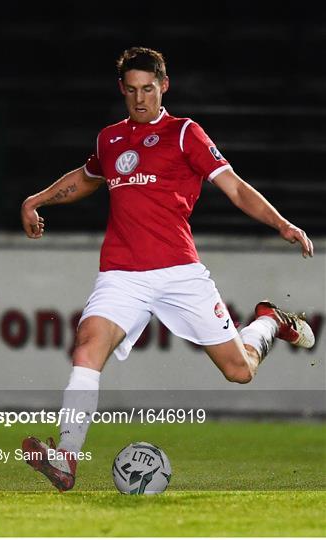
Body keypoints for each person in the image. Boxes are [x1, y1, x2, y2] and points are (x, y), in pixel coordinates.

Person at [20, 47, 315, 491]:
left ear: (164, 86)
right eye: (132, 90)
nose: (140, 99)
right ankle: (66, 457)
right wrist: (35, 200)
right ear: (122, 89)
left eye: (149, 89)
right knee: (86, 346)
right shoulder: (110, 138)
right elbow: (87, 176)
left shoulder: (184, 134)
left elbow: (233, 187)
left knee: (239, 370)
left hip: (179, 271)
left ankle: (269, 322)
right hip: (121, 273)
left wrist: (282, 223)